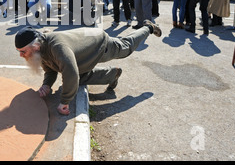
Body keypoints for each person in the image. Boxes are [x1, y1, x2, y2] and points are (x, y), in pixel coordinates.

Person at [14, 20, 162, 115]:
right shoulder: (41, 49)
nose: (21, 55)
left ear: (35, 46)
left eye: (23, 51)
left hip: (98, 43)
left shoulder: (57, 47)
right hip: (84, 49)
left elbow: (70, 72)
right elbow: (51, 69)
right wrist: (47, 85)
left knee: (126, 47)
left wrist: (65, 101)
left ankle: (148, 27)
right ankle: (112, 74)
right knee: (79, 77)